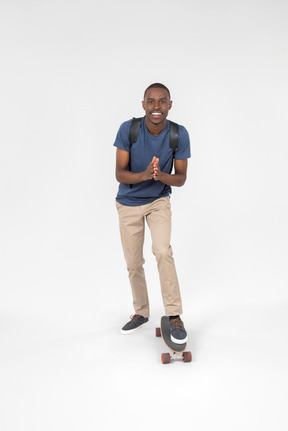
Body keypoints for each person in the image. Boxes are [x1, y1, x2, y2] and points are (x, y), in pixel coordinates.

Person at [114, 83, 191, 344]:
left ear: (170, 105)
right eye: (151, 101)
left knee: (162, 251)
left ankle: (174, 315)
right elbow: (119, 173)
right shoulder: (128, 129)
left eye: (162, 101)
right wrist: (145, 175)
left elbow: (180, 178)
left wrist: (161, 177)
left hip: (158, 201)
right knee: (134, 263)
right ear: (143, 104)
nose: (156, 107)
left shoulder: (178, 134)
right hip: (128, 202)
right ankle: (141, 313)